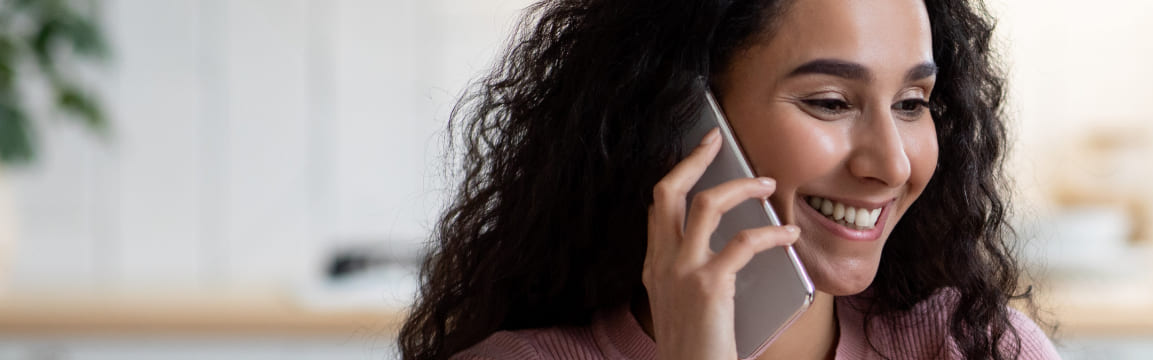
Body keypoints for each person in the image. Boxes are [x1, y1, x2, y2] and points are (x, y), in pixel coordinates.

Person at [396, 0, 1057, 359]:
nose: (890, 163)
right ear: (678, 114)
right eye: (829, 102)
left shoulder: (973, 349)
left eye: (912, 104)